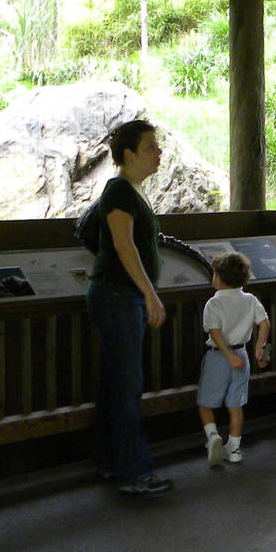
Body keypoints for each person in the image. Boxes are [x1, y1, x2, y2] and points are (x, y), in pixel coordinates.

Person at [88, 119, 175, 496]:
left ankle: (111, 462)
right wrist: (150, 293)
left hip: (120, 296)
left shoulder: (132, 191)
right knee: (126, 387)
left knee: (115, 385)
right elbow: (125, 247)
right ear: (128, 154)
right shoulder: (120, 191)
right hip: (119, 297)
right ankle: (133, 471)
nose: (159, 153)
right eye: (150, 147)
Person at [198, 251, 271, 466]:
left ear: (219, 278)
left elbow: (214, 332)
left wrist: (228, 355)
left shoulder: (213, 303)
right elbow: (264, 323)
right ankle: (235, 448)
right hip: (242, 354)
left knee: (205, 403)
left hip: (218, 356)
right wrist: (260, 347)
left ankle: (212, 437)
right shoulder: (250, 299)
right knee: (235, 405)